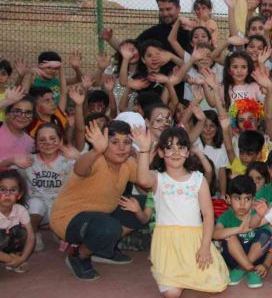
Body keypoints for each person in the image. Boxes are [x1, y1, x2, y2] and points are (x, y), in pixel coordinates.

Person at [134, 126, 228, 297]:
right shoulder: (157, 178)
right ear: (161, 152)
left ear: (188, 151)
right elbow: (141, 179)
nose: (176, 152)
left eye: (181, 147)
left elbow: (208, 215)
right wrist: (144, 150)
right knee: (172, 293)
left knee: (215, 286)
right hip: (167, 244)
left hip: (195, 241)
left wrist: (205, 247)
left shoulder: (198, 179)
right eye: (169, 147)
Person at [50, 120, 147, 281]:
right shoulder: (95, 160)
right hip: (68, 219)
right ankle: (79, 255)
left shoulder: (128, 164)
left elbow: (147, 181)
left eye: (126, 142)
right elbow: (80, 168)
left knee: (144, 204)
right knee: (108, 227)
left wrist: (145, 151)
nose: (121, 147)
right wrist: (96, 151)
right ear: (104, 144)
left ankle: (101, 249)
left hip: (102, 216)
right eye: (114, 142)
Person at [21, 123, 80, 252]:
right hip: (36, 210)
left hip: (60, 210)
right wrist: (11, 161)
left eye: (53, 138)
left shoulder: (70, 161)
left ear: (60, 140)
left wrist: (80, 158)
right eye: (42, 140)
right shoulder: (28, 161)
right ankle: (33, 234)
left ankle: (58, 231)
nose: (48, 143)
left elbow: (94, 174)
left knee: (65, 238)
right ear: (36, 144)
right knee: (35, 204)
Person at [214, 174, 272, 288]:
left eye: (247, 199)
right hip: (233, 260)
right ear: (228, 199)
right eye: (237, 198)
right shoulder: (226, 216)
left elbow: (271, 244)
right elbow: (215, 234)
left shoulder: (257, 215)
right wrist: (238, 230)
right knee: (229, 235)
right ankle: (250, 269)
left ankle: (242, 268)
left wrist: (266, 265)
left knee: (266, 234)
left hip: (257, 259)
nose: (242, 204)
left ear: (253, 200)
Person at [0, 170, 35, 273]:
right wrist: (10, 260)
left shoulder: (20, 210)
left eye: (13, 190)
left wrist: (22, 259)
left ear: (19, 195)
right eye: (3, 190)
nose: (8, 194)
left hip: (7, 246)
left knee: (22, 231)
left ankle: (15, 257)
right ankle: (10, 260)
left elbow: (31, 237)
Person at [0, 94, 35, 169]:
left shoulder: (31, 143)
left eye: (28, 112)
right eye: (17, 111)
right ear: (7, 114)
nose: (23, 116)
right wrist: (6, 101)